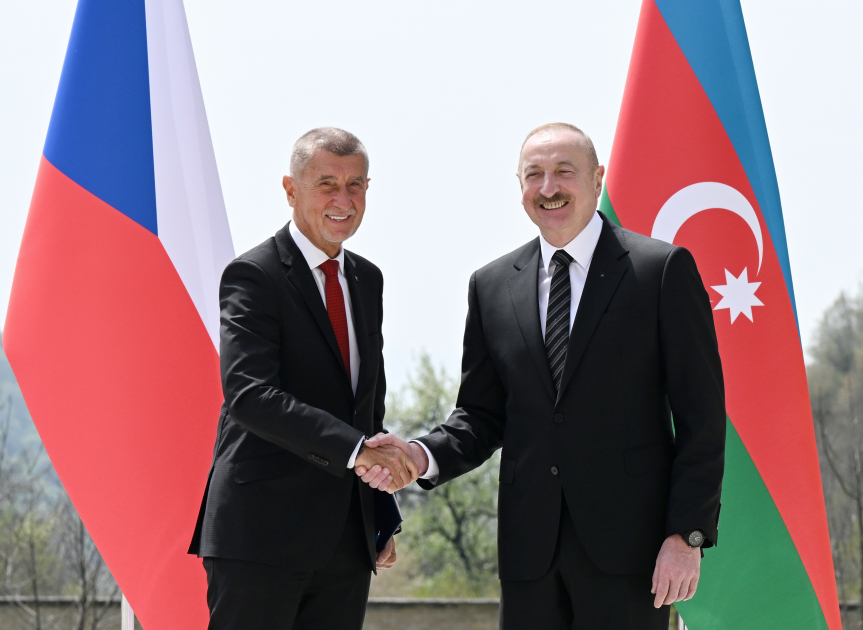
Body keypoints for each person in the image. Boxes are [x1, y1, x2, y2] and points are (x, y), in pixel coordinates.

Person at [360, 123, 726, 629]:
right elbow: (480, 415)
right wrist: (420, 455)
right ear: (520, 185)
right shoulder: (491, 286)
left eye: (563, 172)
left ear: (597, 179)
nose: (548, 187)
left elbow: (701, 418)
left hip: (632, 554)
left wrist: (686, 536)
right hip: (529, 555)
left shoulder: (660, 271)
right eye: (534, 174)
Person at [188, 127, 418, 630]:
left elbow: (367, 409)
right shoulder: (253, 275)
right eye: (327, 184)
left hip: (345, 543)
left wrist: (379, 514)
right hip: (259, 536)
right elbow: (250, 395)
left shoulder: (367, 279)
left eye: (355, 185)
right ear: (291, 190)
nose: (343, 200)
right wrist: (358, 452)